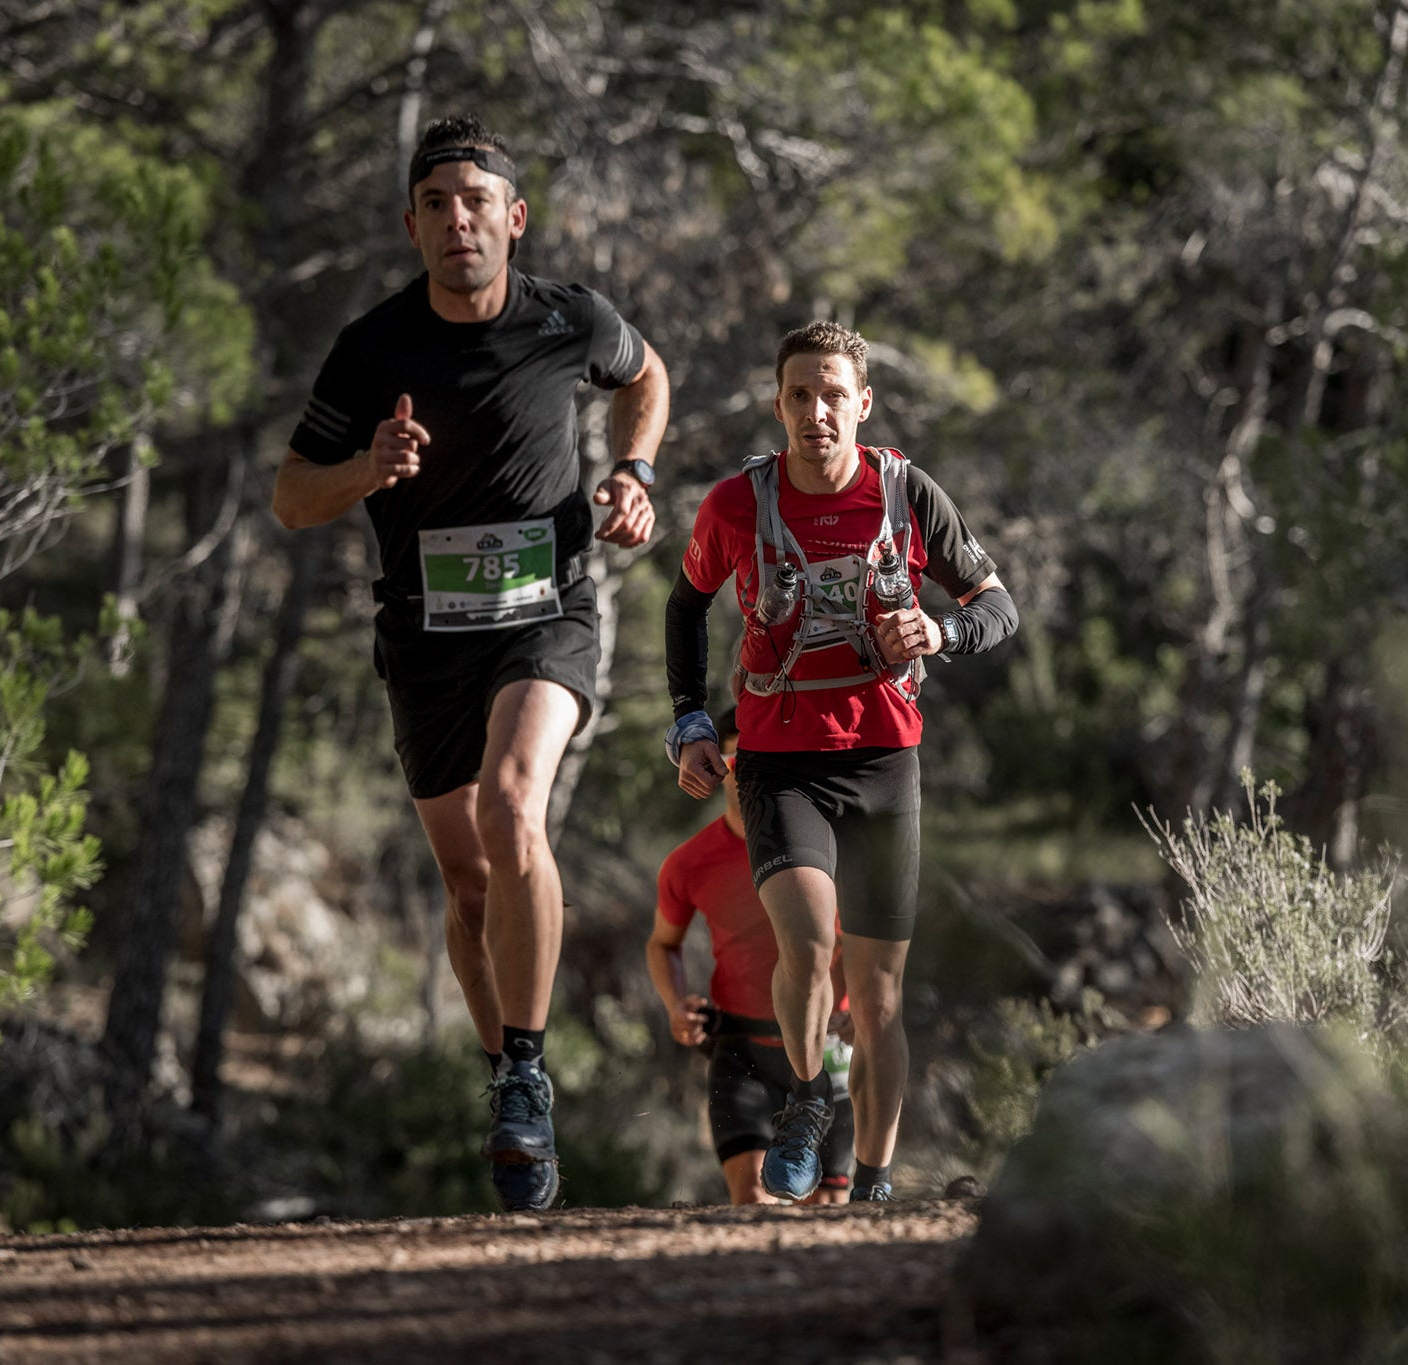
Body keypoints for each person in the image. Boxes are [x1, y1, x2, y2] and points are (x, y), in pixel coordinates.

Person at [273, 114, 670, 1212]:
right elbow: (289, 496)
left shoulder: (568, 319)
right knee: (466, 884)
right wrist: (365, 467)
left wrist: (634, 474)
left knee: (512, 809)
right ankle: (504, 1076)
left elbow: (647, 378)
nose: (459, 219)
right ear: (413, 226)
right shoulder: (372, 348)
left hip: (546, 616)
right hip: (423, 638)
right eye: (437, 203)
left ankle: (530, 1075)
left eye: (476, 200)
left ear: (513, 218)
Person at [662, 321, 1017, 1202]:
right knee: (810, 943)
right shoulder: (737, 504)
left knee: (882, 993)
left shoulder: (906, 493)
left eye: (832, 394)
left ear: (862, 402)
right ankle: (810, 1093)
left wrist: (943, 629)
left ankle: (874, 1181)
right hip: (778, 762)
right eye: (797, 395)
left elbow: (998, 603)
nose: (815, 412)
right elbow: (685, 606)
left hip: (886, 761)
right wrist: (689, 722)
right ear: (778, 404)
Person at [647, 710, 855, 1205]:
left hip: (828, 1045)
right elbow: (663, 944)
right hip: (740, 1048)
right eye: (740, 758)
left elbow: (867, 942)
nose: (752, 768)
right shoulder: (689, 862)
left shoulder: (830, 848)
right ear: (717, 764)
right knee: (753, 1198)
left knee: (828, 1207)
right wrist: (676, 1003)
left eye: (766, 755)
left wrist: (861, 1007)